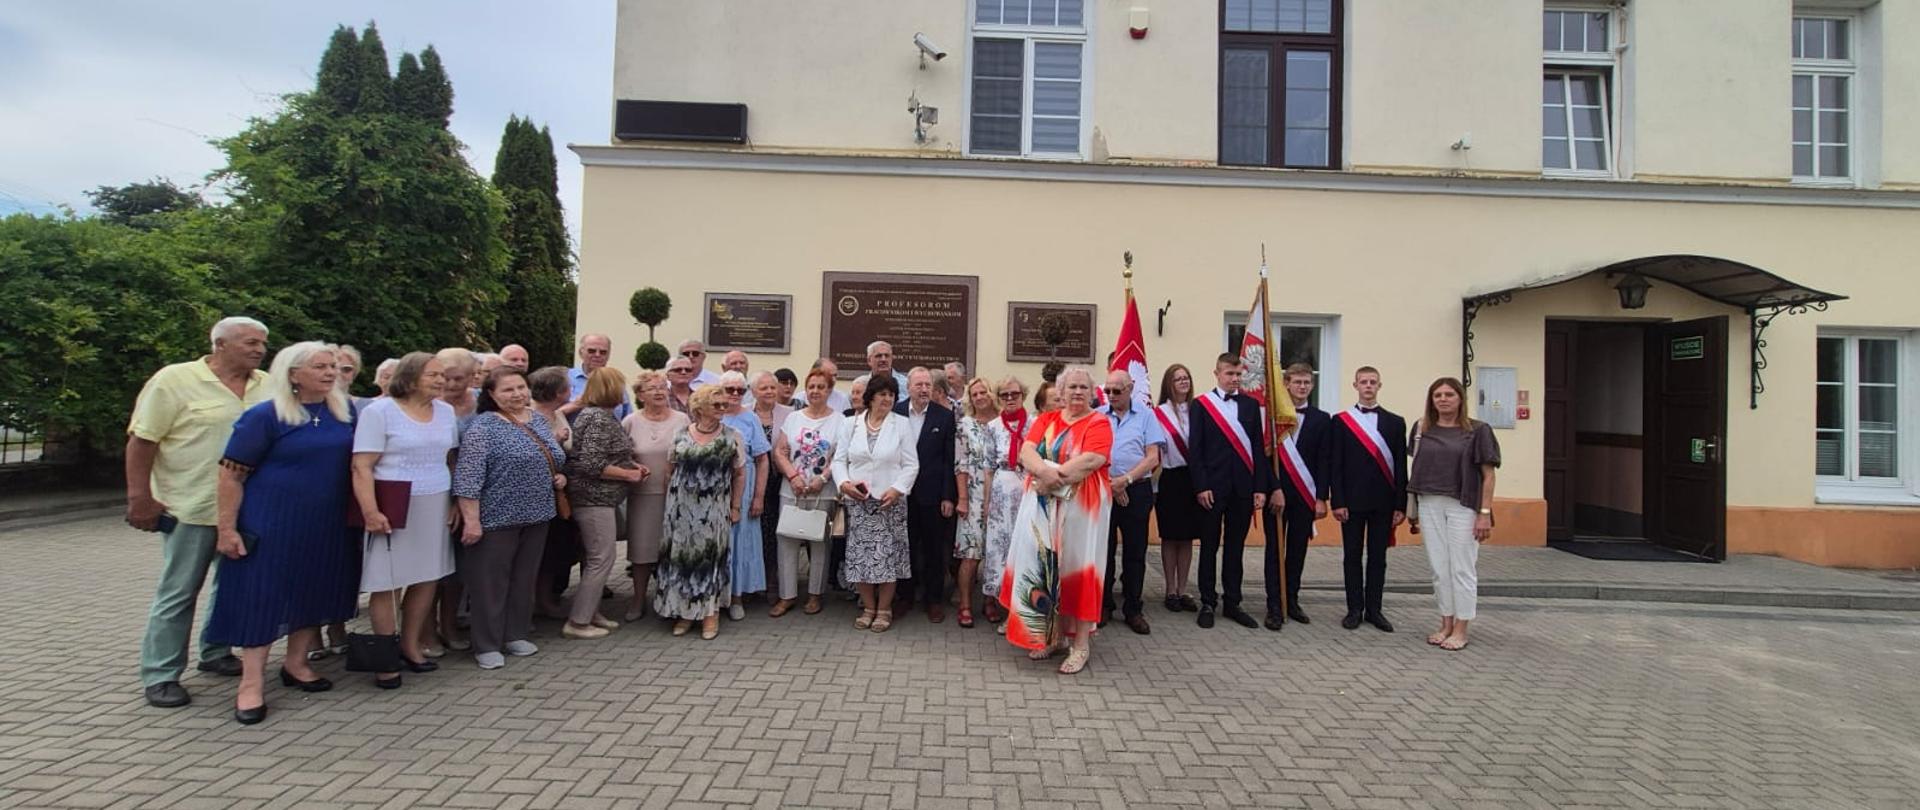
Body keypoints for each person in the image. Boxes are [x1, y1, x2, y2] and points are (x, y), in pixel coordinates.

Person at [206, 341, 359, 724]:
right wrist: (227, 529)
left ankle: (296, 663)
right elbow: (231, 473)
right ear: (292, 373)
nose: (330, 373)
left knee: (312, 589)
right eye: (320, 367)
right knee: (262, 596)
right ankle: (251, 684)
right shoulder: (266, 416)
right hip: (272, 520)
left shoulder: (344, 412)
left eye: (334, 367)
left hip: (326, 522)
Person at [128, 316, 270, 708]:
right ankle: (160, 674)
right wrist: (139, 498)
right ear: (220, 344)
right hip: (190, 506)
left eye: (262, 343)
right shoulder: (174, 380)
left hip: (248, 508)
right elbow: (142, 440)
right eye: (250, 342)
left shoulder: (268, 385)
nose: (259, 349)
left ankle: (216, 651)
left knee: (234, 586)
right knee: (179, 591)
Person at [350, 351, 459, 687]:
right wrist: (370, 510)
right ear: (410, 377)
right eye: (434, 375)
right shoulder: (380, 411)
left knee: (427, 576)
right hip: (393, 502)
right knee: (388, 580)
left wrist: (455, 501)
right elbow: (362, 466)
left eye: (443, 375)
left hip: (435, 499)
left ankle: (411, 645)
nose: (441, 381)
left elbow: (451, 457)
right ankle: (385, 655)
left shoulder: (445, 411)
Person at [1000, 366, 1112, 675]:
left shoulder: (1100, 422)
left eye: (1083, 387)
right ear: (1060, 392)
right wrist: (1047, 475)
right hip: (1043, 505)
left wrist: (1051, 479)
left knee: (1078, 568)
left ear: (1092, 393)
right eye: (1071, 387)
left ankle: (1080, 645)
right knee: (1048, 568)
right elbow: (1026, 452)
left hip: (1082, 509)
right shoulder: (1046, 420)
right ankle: (1053, 636)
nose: (1077, 392)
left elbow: (1091, 460)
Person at [452, 369, 565, 670]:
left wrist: (559, 476)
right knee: (490, 583)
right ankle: (486, 643)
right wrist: (471, 521)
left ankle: (515, 633)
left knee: (523, 578)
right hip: (496, 517)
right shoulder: (483, 427)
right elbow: (468, 478)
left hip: (538, 513)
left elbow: (553, 457)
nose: (516, 394)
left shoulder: (538, 420)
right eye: (508, 390)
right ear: (491, 395)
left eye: (520, 387)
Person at [1408, 377, 1500, 651]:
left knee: (1462, 567)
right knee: (1439, 568)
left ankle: (1462, 627)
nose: (1443, 399)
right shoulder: (1421, 429)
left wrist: (1484, 513)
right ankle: (1445, 622)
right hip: (1429, 503)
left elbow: (1488, 475)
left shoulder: (1478, 430)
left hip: (1463, 504)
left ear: (1460, 398)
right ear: (1431, 400)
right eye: (1438, 395)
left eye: (1449, 394)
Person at [1186, 353, 1272, 630]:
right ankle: (1208, 601)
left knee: (1235, 547)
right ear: (1217, 373)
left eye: (1238, 375)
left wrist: (1260, 487)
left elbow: (1258, 449)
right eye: (1229, 374)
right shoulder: (1201, 405)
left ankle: (1233, 601)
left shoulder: (1249, 406)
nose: (1234, 379)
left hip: (1243, 488)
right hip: (1212, 488)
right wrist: (1201, 486)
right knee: (1209, 546)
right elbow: (1195, 450)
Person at [654, 386, 747, 640]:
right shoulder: (681, 434)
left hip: (713, 510)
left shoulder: (732, 436)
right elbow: (669, 470)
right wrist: (669, 506)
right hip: (680, 511)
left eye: (724, 405)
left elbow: (739, 474)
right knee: (683, 561)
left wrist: (735, 507)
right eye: (716, 404)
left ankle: (710, 614)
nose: (722, 408)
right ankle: (685, 613)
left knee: (709, 561)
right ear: (699, 408)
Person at [832, 375, 917, 632]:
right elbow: (839, 460)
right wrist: (844, 483)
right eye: (882, 394)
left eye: (891, 395)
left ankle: (884, 609)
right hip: (859, 502)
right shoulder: (850, 424)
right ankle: (868, 607)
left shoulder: (901, 425)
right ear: (870, 397)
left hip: (889, 503)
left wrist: (898, 489)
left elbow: (911, 464)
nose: (887, 399)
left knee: (887, 558)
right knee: (860, 557)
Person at [560, 367, 640, 640]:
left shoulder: (600, 416)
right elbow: (592, 463)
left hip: (601, 499)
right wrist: (629, 474)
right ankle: (578, 621)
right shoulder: (597, 418)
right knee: (601, 558)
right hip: (593, 499)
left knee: (597, 557)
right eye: (619, 386)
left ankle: (591, 611)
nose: (622, 392)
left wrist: (632, 465)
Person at [1327, 366, 1408, 633]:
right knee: (1351, 556)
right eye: (1364, 382)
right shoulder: (1341, 421)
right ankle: (1353, 609)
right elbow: (1335, 464)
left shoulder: (1395, 422)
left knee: (1378, 558)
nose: (1368, 386)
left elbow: (1399, 467)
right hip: (1351, 502)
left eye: (1373, 382)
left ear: (1379, 386)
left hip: (1383, 503)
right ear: (1355, 385)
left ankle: (1375, 610)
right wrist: (1337, 500)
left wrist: (1400, 504)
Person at [1263, 363, 1332, 629]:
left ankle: (1291, 599)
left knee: (1297, 550)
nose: (1302, 387)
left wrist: (1321, 497)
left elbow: (1324, 460)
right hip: (1277, 495)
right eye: (1297, 382)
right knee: (1274, 550)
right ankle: (1273, 605)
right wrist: (1274, 489)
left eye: (1306, 382)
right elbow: (1265, 458)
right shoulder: (1272, 417)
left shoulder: (1322, 419)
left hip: (1306, 494)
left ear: (1312, 385)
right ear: (1286, 384)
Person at [771, 368, 844, 616]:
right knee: (787, 542)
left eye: (821, 387)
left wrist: (823, 478)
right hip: (792, 490)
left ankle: (815, 595)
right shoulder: (793, 418)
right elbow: (780, 451)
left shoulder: (840, 421)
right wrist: (792, 475)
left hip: (822, 491)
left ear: (829, 390)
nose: (815, 391)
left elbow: (840, 456)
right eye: (811, 386)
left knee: (819, 544)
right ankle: (787, 595)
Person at [1100, 369, 1163, 635]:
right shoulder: (1097, 415)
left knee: (1135, 553)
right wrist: (1112, 486)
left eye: (1118, 391)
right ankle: (1103, 605)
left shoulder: (1147, 416)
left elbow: (1153, 457)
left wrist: (1125, 480)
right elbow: (1091, 452)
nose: (1112, 396)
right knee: (1103, 551)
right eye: (1108, 391)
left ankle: (1133, 608)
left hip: (1135, 490)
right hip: (1103, 490)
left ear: (1131, 387)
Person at [621, 370, 688, 621]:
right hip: (643, 496)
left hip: (676, 495)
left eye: (663, 387)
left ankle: (670, 599)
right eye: (652, 388)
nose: (660, 391)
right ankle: (638, 600)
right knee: (641, 551)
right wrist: (633, 467)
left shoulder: (682, 419)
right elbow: (620, 456)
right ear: (640, 394)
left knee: (672, 550)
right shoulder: (630, 421)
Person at [895, 367, 957, 622]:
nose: (923, 389)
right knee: (904, 547)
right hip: (901, 493)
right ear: (908, 387)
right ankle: (904, 597)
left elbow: (947, 459)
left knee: (933, 550)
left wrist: (947, 496)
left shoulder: (944, 416)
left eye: (927, 385)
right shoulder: (896, 411)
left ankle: (934, 600)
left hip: (932, 495)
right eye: (918, 384)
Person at [714, 371, 772, 619]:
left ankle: (737, 597)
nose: (735, 394)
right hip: (714, 489)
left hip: (745, 489)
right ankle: (714, 597)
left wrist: (759, 496)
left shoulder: (750, 419)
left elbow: (762, 460)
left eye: (740, 390)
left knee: (740, 545)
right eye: (730, 390)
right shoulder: (712, 415)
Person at [527, 366, 578, 622]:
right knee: (543, 550)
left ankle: (548, 598)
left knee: (559, 549)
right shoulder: (531, 417)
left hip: (562, 491)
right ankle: (538, 601)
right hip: (540, 493)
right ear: (557, 391)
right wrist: (555, 441)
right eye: (568, 386)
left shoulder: (558, 413)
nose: (571, 390)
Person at [952, 376, 1003, 629]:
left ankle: (990, 601)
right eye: (975, 394)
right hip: (972, 496)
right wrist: (961, 499)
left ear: (992, 394)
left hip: (1001, 495)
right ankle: (964, 604)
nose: (980, 397)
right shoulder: (965, 425)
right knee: (970, 555)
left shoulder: (1004, 423)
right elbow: (960, 465)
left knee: (994, 552)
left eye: (984, 392)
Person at [979, 375, 1028, 631]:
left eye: (1014, 394)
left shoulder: (1035, 423)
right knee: (1001, 552)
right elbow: (987, 467)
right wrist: (987, 503)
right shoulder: (994, 427)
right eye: (1005, 395)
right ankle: (1005, 608)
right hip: (1001, 486)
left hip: (1027, 489)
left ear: (1023, 396)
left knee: (1024, 550)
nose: (1010, 399)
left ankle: (1022, 614)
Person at [1152, 364, 1200, 613]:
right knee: (1170, 536)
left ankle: (1183, 590)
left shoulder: (1197, 410)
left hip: (1192, 479)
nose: (1183, 382)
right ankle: (1170, 589)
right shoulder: (1158, 413)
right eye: (1178, 378)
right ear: (1168, 383)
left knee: (1188, 537)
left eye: (1186, 377)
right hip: (1169, 479)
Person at [748, 371, 794, 599]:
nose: (768, 392)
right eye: (763, 388)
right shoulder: (745, 413)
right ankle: (753, 580)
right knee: (754, 531)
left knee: (776, 531)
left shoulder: (790, 414)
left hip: (779, 481)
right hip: (750, 482)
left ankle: (773, 579)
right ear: (754, 391)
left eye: (772, 388)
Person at [564, 334, 629, 419]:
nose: (597, 355)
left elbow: (626, 417)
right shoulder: (565, 378)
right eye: (591, 351)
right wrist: (574, 405)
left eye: (603, 352)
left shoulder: (616, 381)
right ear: (581, 353)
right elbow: (548, 415)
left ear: (608, 355)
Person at [437, 348, 482, 433]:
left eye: (458, 379)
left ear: (471, 376)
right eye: (446, 378)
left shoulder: (483, 398)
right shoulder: (429, 404)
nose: (451, 385)